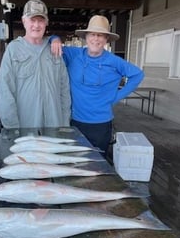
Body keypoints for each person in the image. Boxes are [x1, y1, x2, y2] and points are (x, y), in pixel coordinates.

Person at [51, 15, 144, 158]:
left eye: (100, 35)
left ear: (106, 39)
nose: (96, 39)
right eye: (92, 34)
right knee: (75, 161)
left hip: (100, 124)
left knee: (97, 163)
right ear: (86, 37)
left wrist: (115, 97)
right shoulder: (74, 54)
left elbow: (137, 75)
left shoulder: (114, 61)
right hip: (74, 121)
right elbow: (49, 42)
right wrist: (55, 38)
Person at [0, 0, 71, 129]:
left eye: (41, 20)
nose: (36, 25)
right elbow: (4, 92)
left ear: (46, 23)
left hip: (55, 127)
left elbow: (64, 90)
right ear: (24, 21)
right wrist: (13, 129)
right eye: (32, 20)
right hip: (25, 130)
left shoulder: (54, 49)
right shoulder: (13, 50)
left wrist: (64, 124)